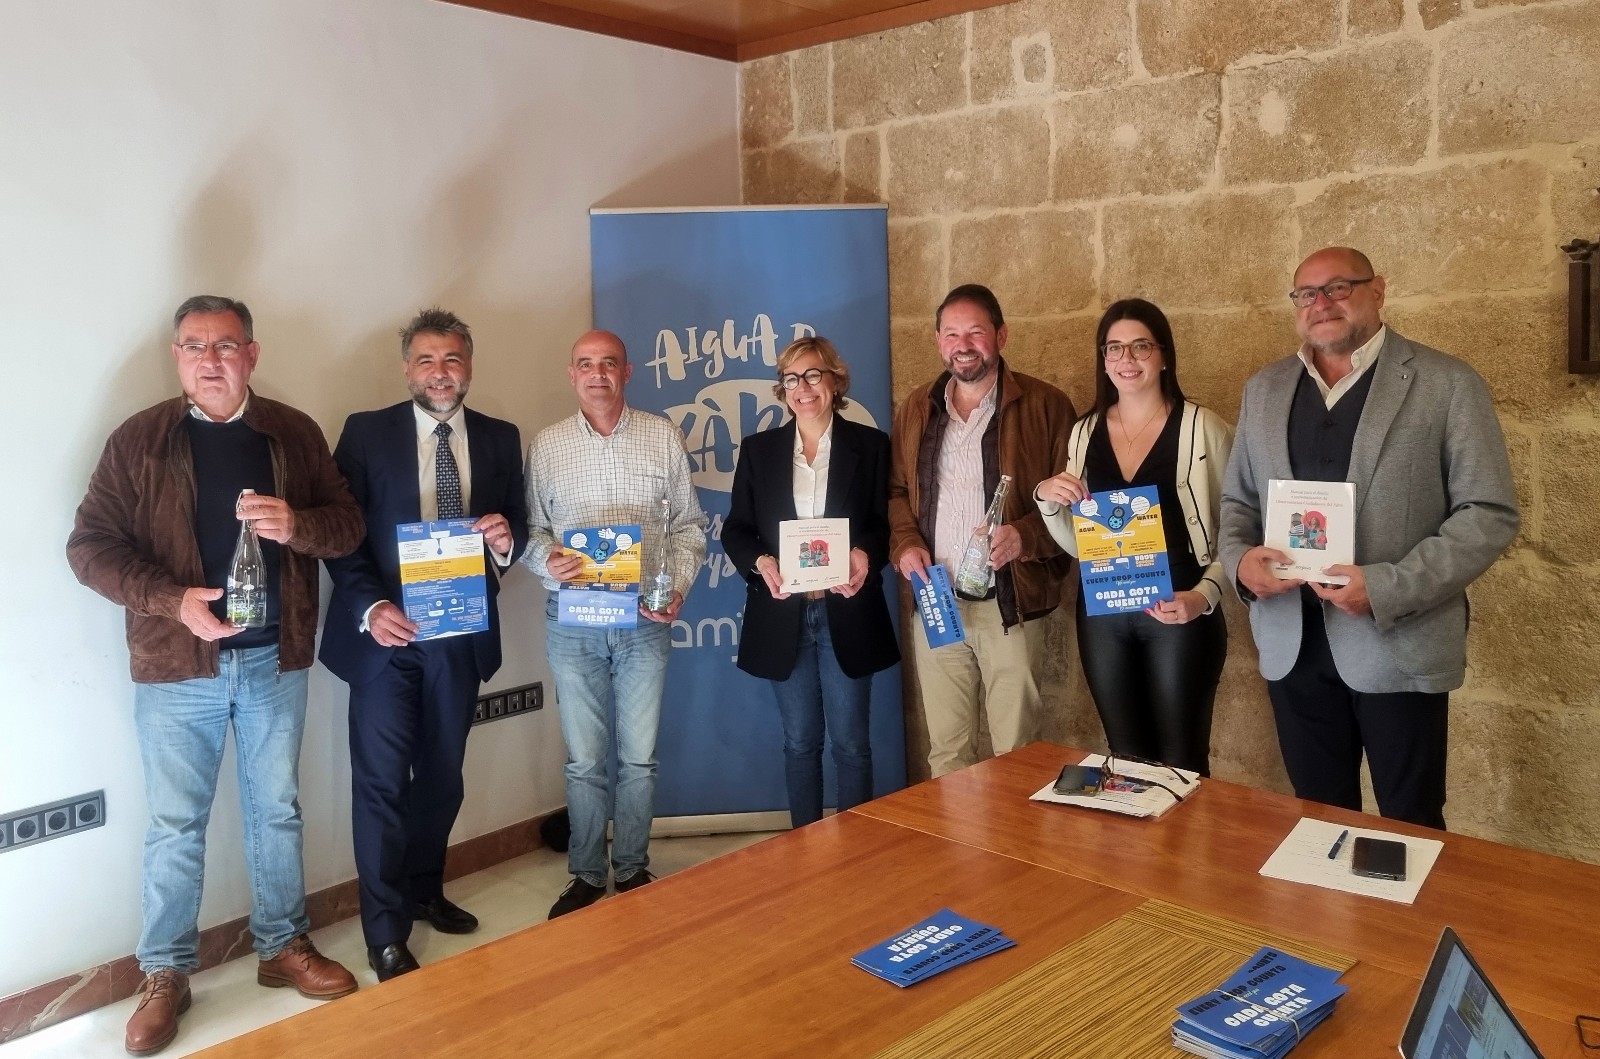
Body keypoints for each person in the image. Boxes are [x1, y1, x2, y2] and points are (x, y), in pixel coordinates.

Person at [66, 296, 364, 1056]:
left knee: (277, 812)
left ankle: (281, 945)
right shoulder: (139, 439)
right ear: (176, 356)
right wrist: (173, 602)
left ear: (251, 354)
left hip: (274, 659)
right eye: (195, 345)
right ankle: (165, 972)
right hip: (176, 667)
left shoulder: (292, 432)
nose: (210, 359)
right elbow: (89, 548)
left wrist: (297, 524)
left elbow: (347, 525)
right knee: (175, 826)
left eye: (225, 345)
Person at [1219, 247, 1519, 829]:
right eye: (1306, 294)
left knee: (1410, 825)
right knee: (1318, 822)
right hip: (1291, 644)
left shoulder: (1447, 383)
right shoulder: (1264, 389)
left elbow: (1488, 512)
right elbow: (1238, 502)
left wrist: (1387, 587)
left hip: (1398, 642)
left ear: (1377, 291)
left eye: (1338, 287)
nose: (1321, 304)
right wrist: (1240, 564)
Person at [319, 308, 528, 981]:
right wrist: (370, 606)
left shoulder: (500, 437)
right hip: (385, 638)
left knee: (442, 776)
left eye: (452, 359)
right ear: (407, 367)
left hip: (458, 636)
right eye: (427, 360)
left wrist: (506, 540)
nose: (441, 373)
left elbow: (517, 522)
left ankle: (424, 888)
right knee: (382, 784)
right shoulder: (365, 432)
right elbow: (342, 535)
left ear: (469, 366)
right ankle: (385, 932)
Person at [523, 330, 708, 917]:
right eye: (585, 364)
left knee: (638, 757)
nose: (597, 373)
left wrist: (677, 587)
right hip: (573, 621)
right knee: (583, 759)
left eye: (608, 364)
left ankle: (630, 867)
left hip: (643, 619)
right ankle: (584, 873)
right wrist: (546, 560)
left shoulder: (662, 436)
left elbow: (690, 527)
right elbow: (532, 531)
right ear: (571, 373)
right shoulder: (547, 445)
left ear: (627, 372)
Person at [1035, 299, 1233, 776]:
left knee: (1183, 760)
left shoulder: (1202, 427)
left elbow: (1239, 528)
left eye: (1141, 346)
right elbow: (1081, 543)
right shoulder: (1084, 432)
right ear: (1104, 360)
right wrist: (1047, 499)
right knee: (1127, 761)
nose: (1127, 358)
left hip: (1179, 605)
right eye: (1114, 348)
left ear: (1164, 355)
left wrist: (1204, 596)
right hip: (1103, 610)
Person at [888, 284, 1076, 777]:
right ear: (938, 341)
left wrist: (1024, 536)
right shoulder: (917, 408)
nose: (963, 345)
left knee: (1017, 753)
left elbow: (1079, 505)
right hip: (937, 600)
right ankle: (958, 833)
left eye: (975, 332)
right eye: (951, 334)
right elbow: (896, 492)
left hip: (1009, 603)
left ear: (1001, 336)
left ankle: (1014, 832)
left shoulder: (1046, 406)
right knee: (947, 753)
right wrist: (906, 544)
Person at [722, 337, 900, 827]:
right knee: (800, 743)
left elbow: (885, 524)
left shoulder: (871, 446)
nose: (803, 387)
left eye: (814, 375)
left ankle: (855, 852)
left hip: (848, 608)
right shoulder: (759, 451)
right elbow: (736, 529)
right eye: (792, 378)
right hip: (785, 613)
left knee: (852, 744)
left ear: (836, 382)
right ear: (783, 389)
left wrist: (865, 554)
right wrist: (762, 562)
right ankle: (805, 851)